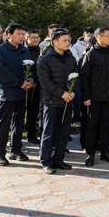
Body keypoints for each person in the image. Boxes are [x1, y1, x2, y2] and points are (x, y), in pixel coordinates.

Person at [0, 24, 36, 166]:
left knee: (19, 122)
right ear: (9, 35)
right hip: (7, 92)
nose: (22, 37)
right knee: (3, 123)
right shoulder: (0, 50)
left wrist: (31, 80)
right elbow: (2, 72)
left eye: (23, 34)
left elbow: (31, 67)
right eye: (19, 34)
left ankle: (16, 150)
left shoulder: (24, 50)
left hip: (22, 92)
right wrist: (19, 83)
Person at [37, 28, 78, 174]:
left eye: (69, 40)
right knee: (49, 133)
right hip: (51, 102)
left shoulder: (71, 58)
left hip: (67, 102)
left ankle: (59, 159)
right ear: (54, 42)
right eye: (64, 40)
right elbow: (45, 81)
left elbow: (76, 77)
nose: (68, 43)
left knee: (63, 133)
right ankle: (46, 161)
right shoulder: (45, 59)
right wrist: (62, 93)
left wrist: (73, 92)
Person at [80, 27, 109, 166]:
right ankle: (90, 154)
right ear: (99, 37)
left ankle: (105, 152)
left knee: (105, 125)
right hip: (94, 97)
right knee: (92, 126)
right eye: (108, 36)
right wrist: (86, 97)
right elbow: (84, 77)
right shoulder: (91, 54)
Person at [24, 29, 42, 144]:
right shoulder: (23, 51)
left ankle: (32, 135)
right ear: (27, 39)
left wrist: (35, 80)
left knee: (33, 112)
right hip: (24, 86)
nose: (35, 40)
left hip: (37, 86)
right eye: (33, 37)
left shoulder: (41, 51)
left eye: (37, 38)